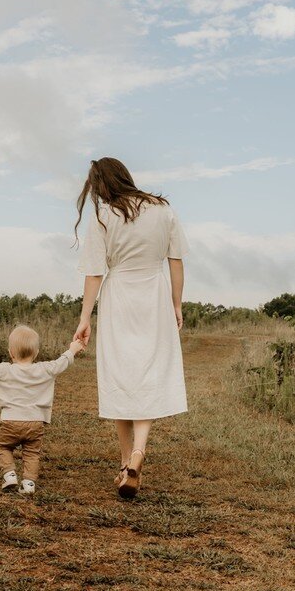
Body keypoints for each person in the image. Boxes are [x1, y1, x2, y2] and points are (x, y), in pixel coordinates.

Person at [72, 157, 187, 499]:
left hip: (119, 296)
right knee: (148, 372)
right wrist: (176, 303)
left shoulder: (103, 216)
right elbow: (176, 260)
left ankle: (126, 462)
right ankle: (137, 453)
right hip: (154, 293)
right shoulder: (163, 210)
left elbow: (94, 272)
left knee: (120, 375)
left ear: (100, 185)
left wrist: (84, 317)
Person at [0, 324, 85, 497]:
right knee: (32, 453)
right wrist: (73, 349)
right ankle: (28, 483)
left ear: (10, 352)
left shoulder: (4, 370)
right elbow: (61, 362)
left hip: (9, 421)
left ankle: (9, 474)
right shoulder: (45, 369)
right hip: (36, 423)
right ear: (36, 353)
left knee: (4, 447)